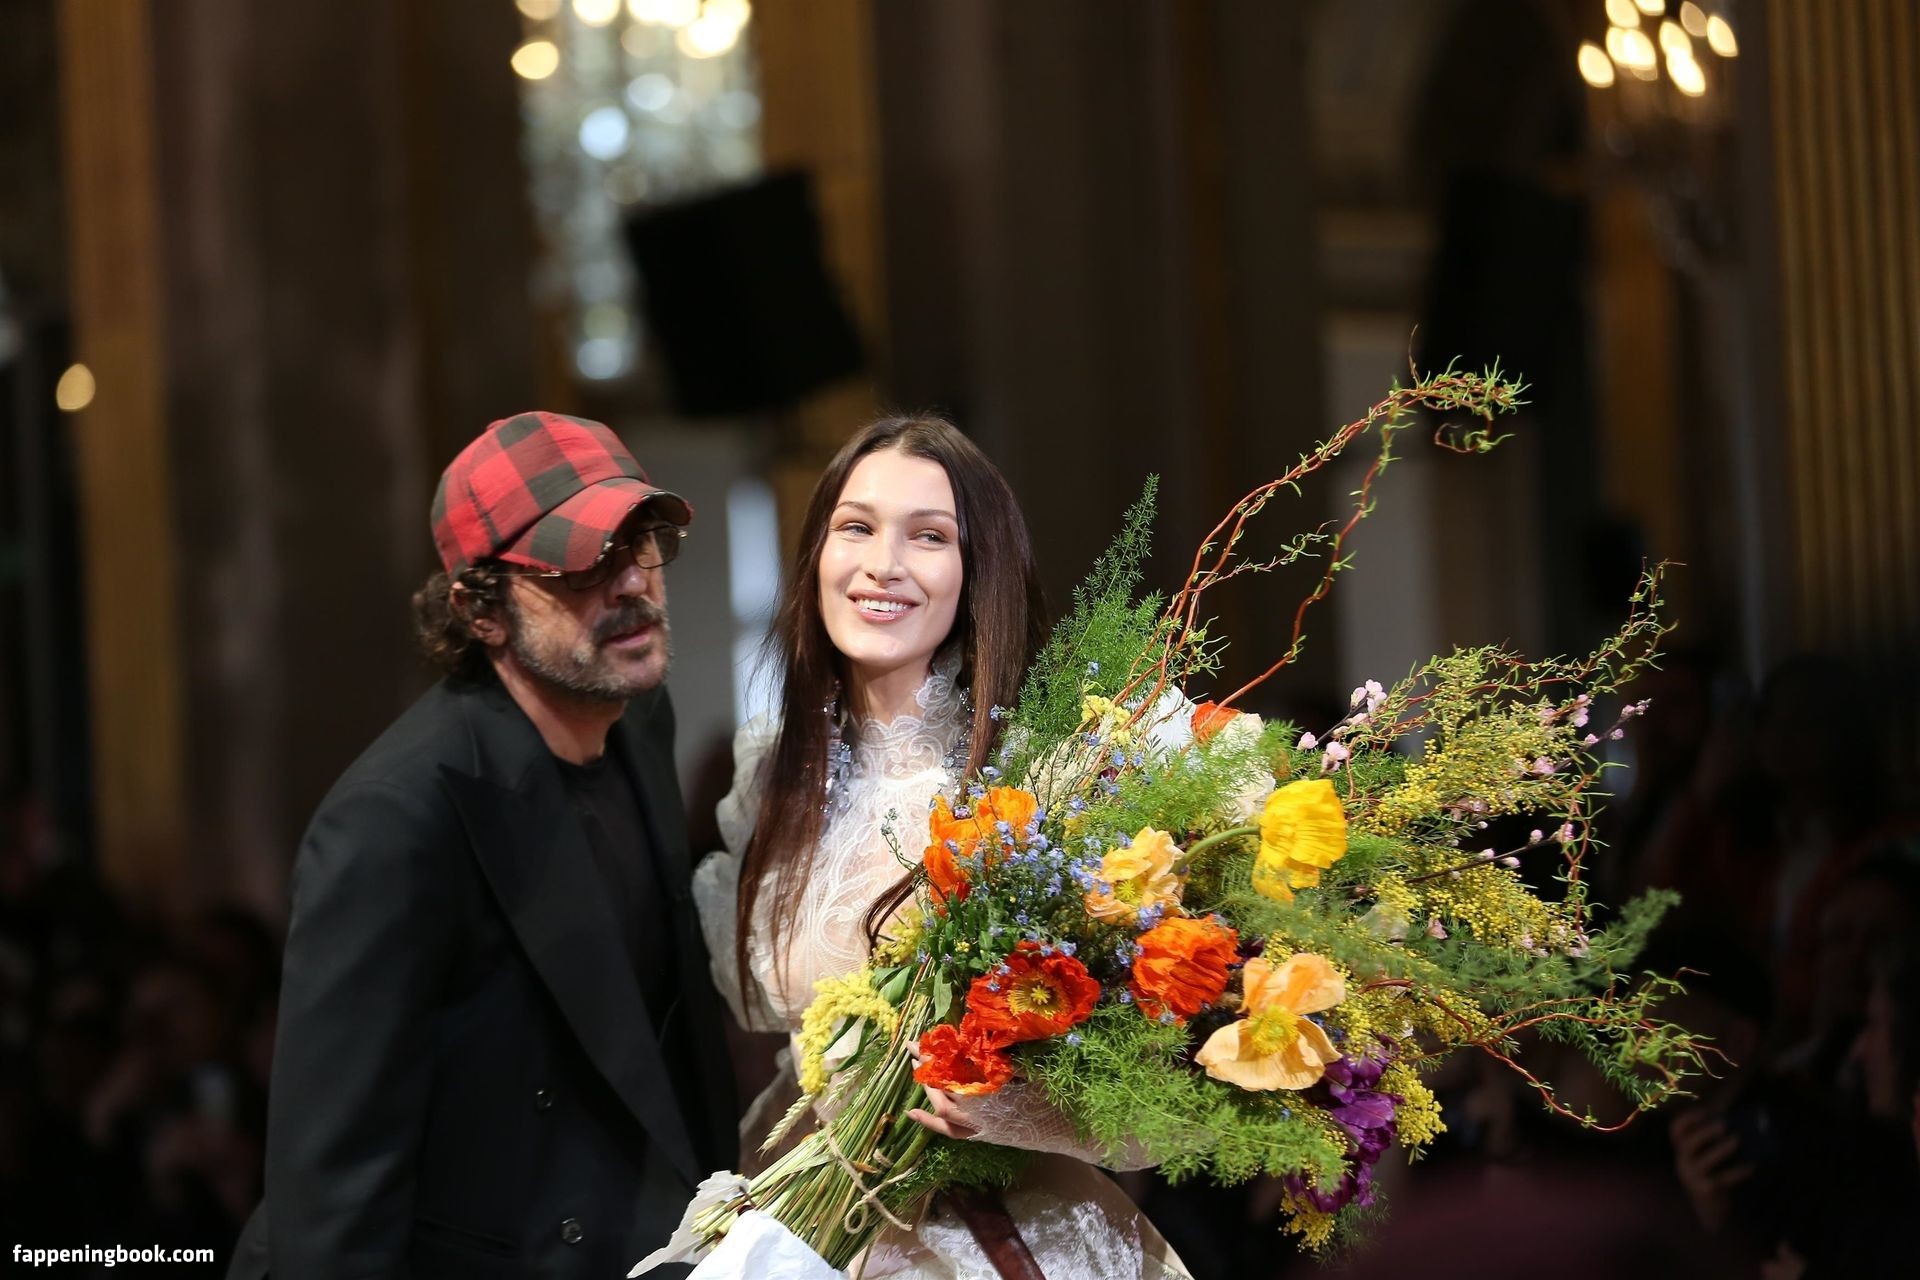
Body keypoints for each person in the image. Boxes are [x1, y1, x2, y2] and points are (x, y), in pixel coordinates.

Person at [229, 412, 735, 1279]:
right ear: (480, 609)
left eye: (640, 541)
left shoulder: (638, 717)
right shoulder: (395, 819)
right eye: (582, 563)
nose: (630, 582)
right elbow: (335, 1186)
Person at [695, 415, 1189, 1278]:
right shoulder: (772, 776)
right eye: (856, 527)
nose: (883, 564)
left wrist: (1005, 1110)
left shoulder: (1047, 780)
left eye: (928, 537)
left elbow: (1159, 1108)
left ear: (976, 571)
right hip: (811, 1233)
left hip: (1001, 1241)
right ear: (816, 553)